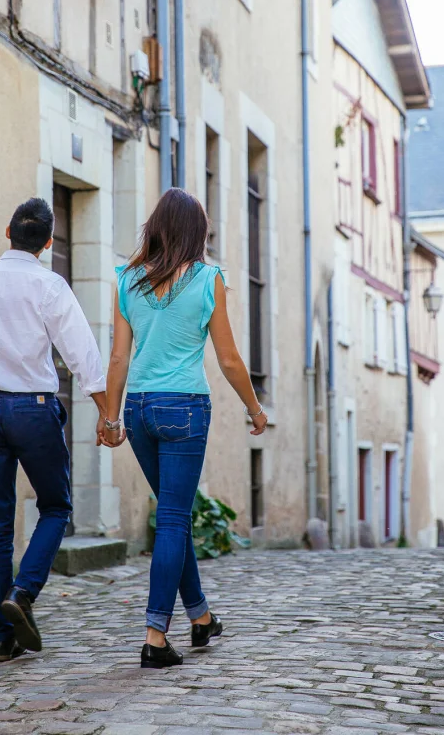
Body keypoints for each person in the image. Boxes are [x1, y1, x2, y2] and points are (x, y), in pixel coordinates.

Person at [101, 187, 268, 669]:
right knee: (174, 519)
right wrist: (255, 410)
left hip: (138, 408)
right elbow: (231, 359)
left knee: (173, 516)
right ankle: (155, 637)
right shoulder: (208, 278)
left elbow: (118, 357)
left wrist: (111, 418)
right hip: (185, 409)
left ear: (156, 226)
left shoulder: (127, 279)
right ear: (197, 233)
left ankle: (200, 618)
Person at [0, 197, 112, 663]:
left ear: (7, 232)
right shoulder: (49, 284)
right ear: (49, 243)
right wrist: (106, 413)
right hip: (34, 410)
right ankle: (25, 593)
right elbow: (82, 354)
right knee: (56, 507)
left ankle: (2, 639)